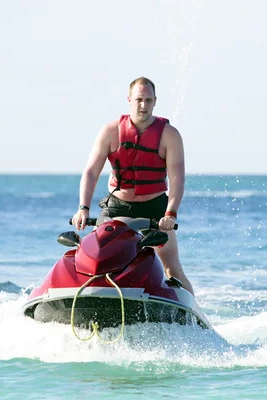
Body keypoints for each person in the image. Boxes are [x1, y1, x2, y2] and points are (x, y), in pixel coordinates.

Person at [71, 76, 195, 296]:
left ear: (155, 101)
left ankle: (197, 321)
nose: (143, 105)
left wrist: (170, 214)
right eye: (139, 99)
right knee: (95, 260)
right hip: (117, 207)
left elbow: (177, 180)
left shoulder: (170, 135)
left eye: (148, 100)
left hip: (156, 208)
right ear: (129, 100)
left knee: (172, 268)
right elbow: (90, 172)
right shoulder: (110, 132)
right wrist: (83, 208)